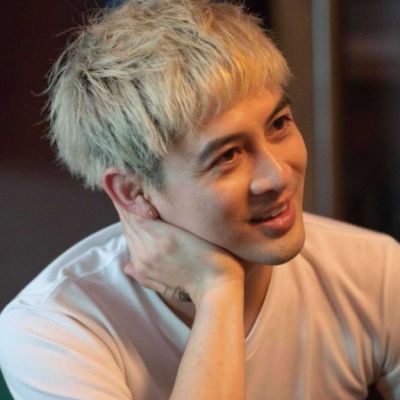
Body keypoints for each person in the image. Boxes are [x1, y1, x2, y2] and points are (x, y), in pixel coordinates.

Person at [0, 0, 399, 399]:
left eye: (278, 124)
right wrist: (217, 292)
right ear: (132, 191)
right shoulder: (52, 331)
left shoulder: (374, 272)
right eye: (228, 156)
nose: (278, 176)